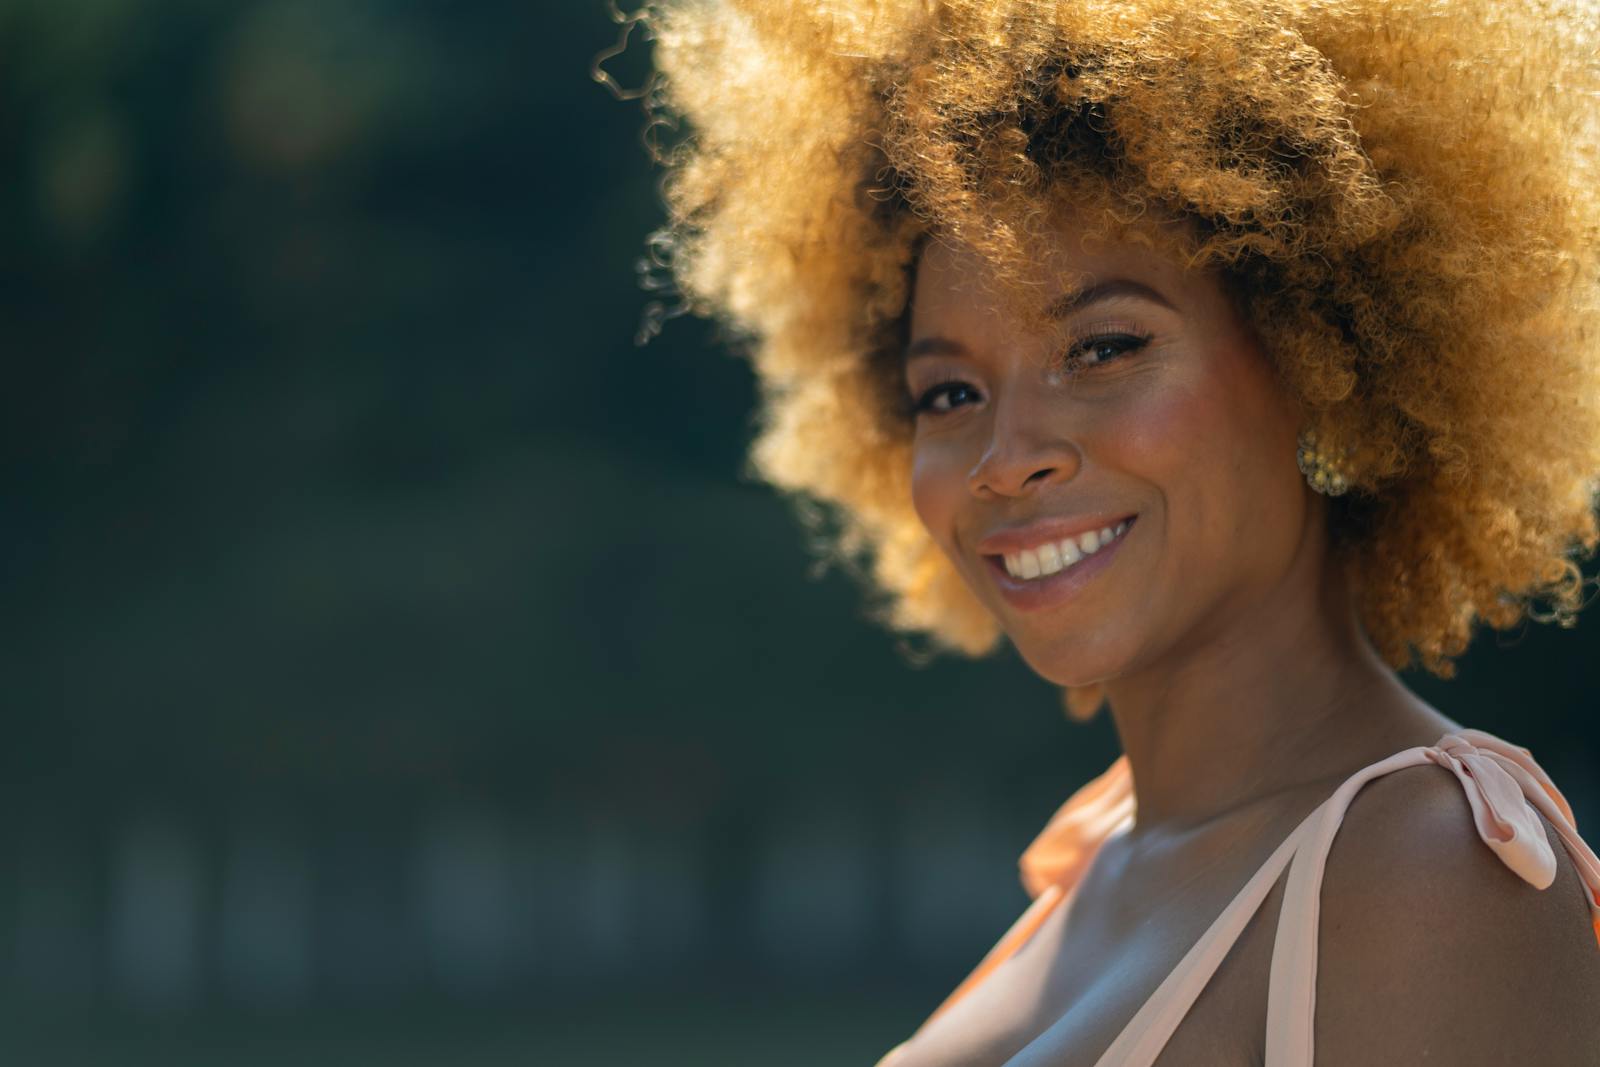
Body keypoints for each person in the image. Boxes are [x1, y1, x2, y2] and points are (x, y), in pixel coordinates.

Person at [612, 0, 1600, 1062]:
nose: (1003, 456)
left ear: (1324, 363)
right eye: (948, 392)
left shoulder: (1431, 867)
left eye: (1102, 347)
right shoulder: (1096, 857)